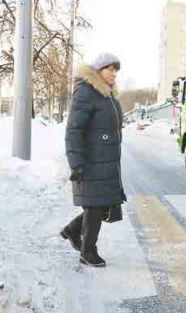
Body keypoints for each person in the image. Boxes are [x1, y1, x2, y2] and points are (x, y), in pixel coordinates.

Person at [60, 53, 126, 268]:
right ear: (98, 71)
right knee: (96, 205)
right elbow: (74, 131)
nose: (114, 73)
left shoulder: (107, 95)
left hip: (105, 159)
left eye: (116, 69)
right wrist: (76, 163)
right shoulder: (87, 94)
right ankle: (88, 252)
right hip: (91, 160)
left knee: (102, 202)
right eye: (110, 69)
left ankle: (73, 230)